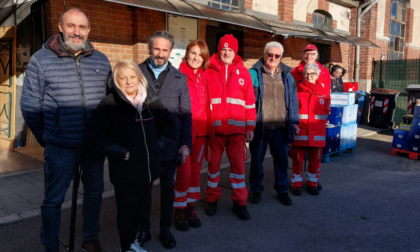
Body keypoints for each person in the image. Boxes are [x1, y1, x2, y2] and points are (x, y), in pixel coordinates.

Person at [20, 7, 110, 252]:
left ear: (88, 30)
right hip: (60, 147)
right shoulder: (41, 59)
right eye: (71, 26)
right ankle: (50, 246)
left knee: (94, 193)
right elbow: (30, 106)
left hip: (92, 147)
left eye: (82, 27)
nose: (76, 32)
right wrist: (47, 137)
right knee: (53, 200)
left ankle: (90, 236)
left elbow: (108, 101)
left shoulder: (101, 60)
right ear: (60, 27)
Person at [85, 60, 175, 252]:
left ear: (138, 77)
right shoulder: (109, 103)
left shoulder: (151, 99)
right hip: (125, 171)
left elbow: (169, 125)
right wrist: (120, 151)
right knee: (127, 211)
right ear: (116, 81)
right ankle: (126, 247)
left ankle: (135, 242)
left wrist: (157, 146)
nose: (128, 82)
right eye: (123, 78)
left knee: (142, 209)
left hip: (147, 169)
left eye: (132, 77)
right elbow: (94, 135)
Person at [138, 31, 192, 249]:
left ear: (170, 51)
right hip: (144, 142)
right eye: (156, 49)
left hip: (171, 144)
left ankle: (165, 229)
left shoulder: (180, 78)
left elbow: (186, 113)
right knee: (144, 188)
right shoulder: (136, 72)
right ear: (150, 48)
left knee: (168, 187)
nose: (160, 54)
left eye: (165, 50)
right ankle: (144, 229)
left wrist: (185, 143)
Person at [204, 34, 256, 220]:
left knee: (238, 170)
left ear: (235, 52)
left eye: (230, 50)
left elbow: (250, 103)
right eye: (223, 49)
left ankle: (240, 203)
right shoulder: (207, 71)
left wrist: (250, 128)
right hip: (215, 131)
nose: (226, 52)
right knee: (213, 168)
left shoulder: (245, 74)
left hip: (237, 133)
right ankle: (211, 199)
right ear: (219, 50)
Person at [248, 41, 300, 206]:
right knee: (257, 161)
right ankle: (256, 190)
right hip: (260, 126)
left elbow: (293, 101)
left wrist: (295, 122)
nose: (273, 58)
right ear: (264, 54)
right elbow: (248, 100)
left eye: (277, 56)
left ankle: (282, 191)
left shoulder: (287, 76)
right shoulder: (253, 74)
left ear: (281, 58)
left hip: (281, 128)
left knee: (282, 161)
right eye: (269, 54)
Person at [173, 39, 210, 231]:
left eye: (200, 54)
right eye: (193, 53)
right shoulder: (177, 76)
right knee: (184, 174)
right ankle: (178, 208)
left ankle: (190, 206)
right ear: (186, 53)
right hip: (184, 137)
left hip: (201, 134)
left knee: (196, 173)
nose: (196, 57)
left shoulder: (205, 77)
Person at [290, 63, 330, 196]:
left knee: (315, 160)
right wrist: (294, 125)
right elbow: (293, 111)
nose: (309, 76)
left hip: (317, 133)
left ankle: (312, 184)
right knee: (297, 160)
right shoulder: (297, 92)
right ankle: (296, 184)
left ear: (317, 75)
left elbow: (326, 112)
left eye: (312, 73)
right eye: (307, 73)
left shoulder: (324, 93)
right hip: (300, 131)